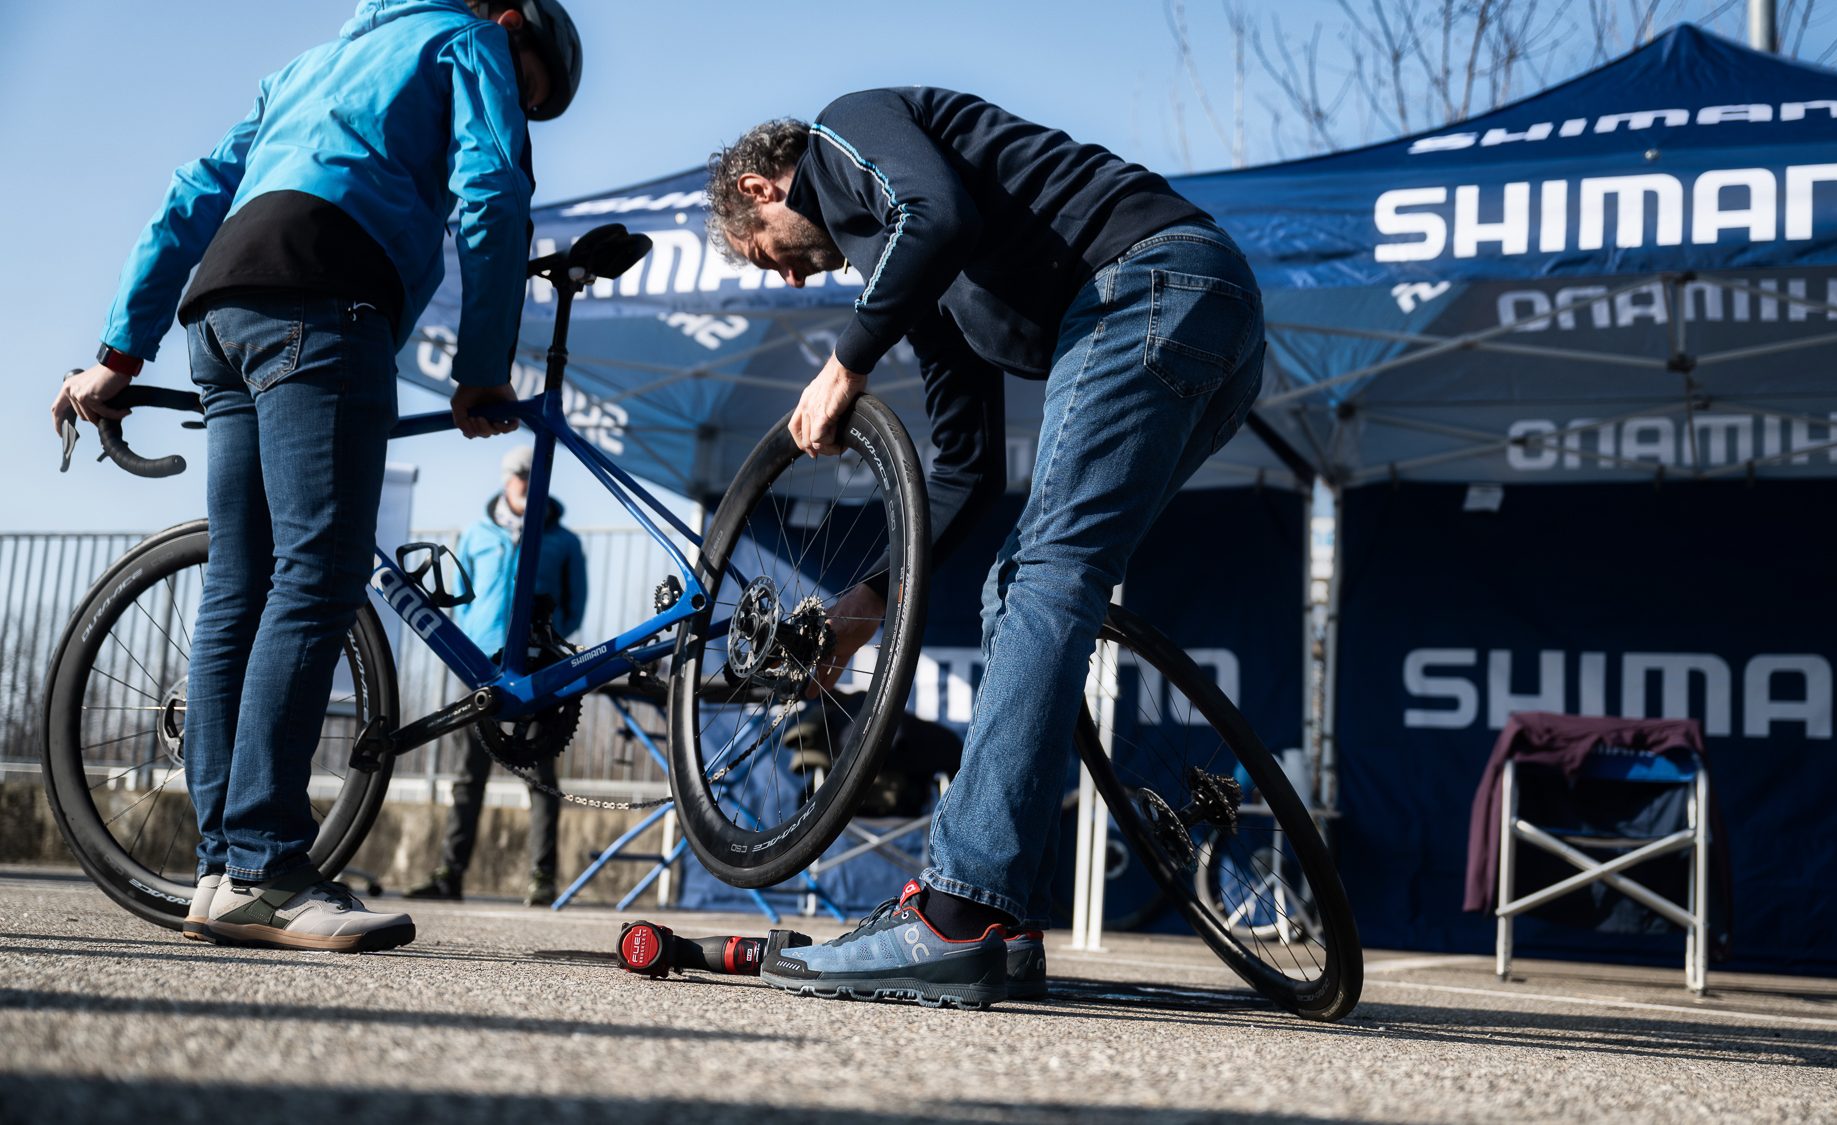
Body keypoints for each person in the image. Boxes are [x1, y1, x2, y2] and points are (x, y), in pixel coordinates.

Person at [705, 90, 1265, 1006]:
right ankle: (1001, 922)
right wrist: (867, 602)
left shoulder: (847, 131)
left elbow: (938, 212)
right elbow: (964, 470)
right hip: (1211, 317)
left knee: (1043, 577)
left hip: (1147, 282)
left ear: (760, 189)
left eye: (766, 254)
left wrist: (845, 363)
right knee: (1026, 584)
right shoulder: (913, 270)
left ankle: (958, 912)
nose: (793, 282)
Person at [49, 0, 582, 952]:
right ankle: (266, 864)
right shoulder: (469, 41)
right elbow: (494, 189)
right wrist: (482, 370)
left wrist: (118, 353)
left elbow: (193, 191)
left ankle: (222, 870)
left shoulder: (306, 68)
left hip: (221, 307)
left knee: (239, 586)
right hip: (326, 296)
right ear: (512, 24)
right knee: (319, 573)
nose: (520, 101)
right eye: (529, 89)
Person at [408, 444, 588, 906]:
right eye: (517, 474)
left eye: (531, 474)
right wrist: (471, 641)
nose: (524, 482)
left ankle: (542, 878)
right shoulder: (475, 534)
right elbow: (461, 597)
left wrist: (548, 642)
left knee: (541, 775)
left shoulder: (565, 542)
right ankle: (449, 874)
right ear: (506, 479)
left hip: (538, 668)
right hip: (478, 666)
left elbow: (576, 605)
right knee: (468, 775)